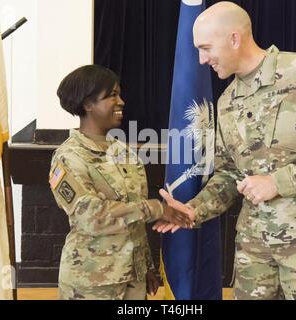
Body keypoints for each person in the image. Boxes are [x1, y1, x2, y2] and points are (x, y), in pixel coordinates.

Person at [154, 2, 296, 300]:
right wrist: (195, 209)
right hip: (255, 248)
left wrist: (277, 183)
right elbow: (231, 172)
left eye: (206, 48)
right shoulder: (227, 101)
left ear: (234, 38)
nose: (202, 59)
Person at [49, 65, 193, 300]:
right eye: (112, 95)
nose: (121, 101)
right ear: (87, 104)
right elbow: (90, 216)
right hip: (92, 284)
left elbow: (134, 219)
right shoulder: (68, 157)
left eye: (119, 93)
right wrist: (157, 208)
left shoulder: (123, 152)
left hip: (132, 281)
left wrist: (145, 265)